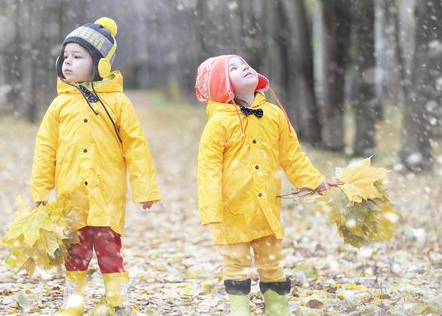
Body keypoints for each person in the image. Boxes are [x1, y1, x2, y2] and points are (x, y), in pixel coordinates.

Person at [30, 17, 161, 316]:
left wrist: (145, 189)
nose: (68, 63)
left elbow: (136, 146)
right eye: (66, 57)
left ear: (101, 64)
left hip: (106, 195)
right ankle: (74, 303)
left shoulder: (118, 103)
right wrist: (40, 190)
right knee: (74, 253)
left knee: (108, 251)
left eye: (78, 57)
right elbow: (45, 149)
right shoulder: (59, 105)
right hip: (71, 195)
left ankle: (115, 301)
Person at [195, 55, 335, 316]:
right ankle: (239, 310)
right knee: (236, 265)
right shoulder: (218, 124)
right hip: (232, 212)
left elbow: (292, 155)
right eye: (233, 69)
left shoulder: (273, 115)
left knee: (272, 264)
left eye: (244, 63)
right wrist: (211, 210)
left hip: (266, 210)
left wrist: (314, 180)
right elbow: (208, 168)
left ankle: (277, 310)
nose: (244, 67)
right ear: (222, 85)